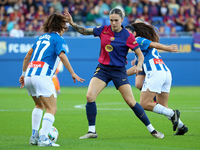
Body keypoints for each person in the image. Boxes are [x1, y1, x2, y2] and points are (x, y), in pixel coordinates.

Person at [64, 8, 165, 139]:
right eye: (111, 20)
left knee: (131, 102)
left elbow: (140, 55)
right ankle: (91, 131)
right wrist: (72, 23)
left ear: (122, 20)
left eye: (116, 20)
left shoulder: (128, 36)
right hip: (103, 69)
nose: (113, 23)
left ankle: (152, 130)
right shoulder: (103, 29)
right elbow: (84, 31)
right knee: (90, 96)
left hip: (119, 71)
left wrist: (139, 65)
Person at [19, 13, 85, 147]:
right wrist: (72, 73)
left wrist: (23, 74)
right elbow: (62, 56)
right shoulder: (58, 39)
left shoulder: (40, 38)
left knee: (39, 105)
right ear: (61, 25)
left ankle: (34, 136)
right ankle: (43, 139)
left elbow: (27, 57)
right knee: (51, 108)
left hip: (30, 75)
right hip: (42, 75)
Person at [126, 23, 188, 135]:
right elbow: (137, 67)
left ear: (134, 33)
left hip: (155, 73)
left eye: (128, 33)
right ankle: (182, 126)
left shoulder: (138, 40)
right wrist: (122, 74)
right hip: (165, 73)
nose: (126, 35)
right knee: (162, 105)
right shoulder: (138, 49)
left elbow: (152, 44)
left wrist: (167, 48)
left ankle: (173, 114)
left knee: (144, 103)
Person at [133, 18, 156, 103]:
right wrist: (135, 59)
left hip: (148, 62)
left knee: (150, 82)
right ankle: (154, 99)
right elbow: (138, 51)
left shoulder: (147, 36)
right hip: (140, 62)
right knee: (138, 84)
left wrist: (167, 48)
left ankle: (153, 98)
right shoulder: (134, 36)